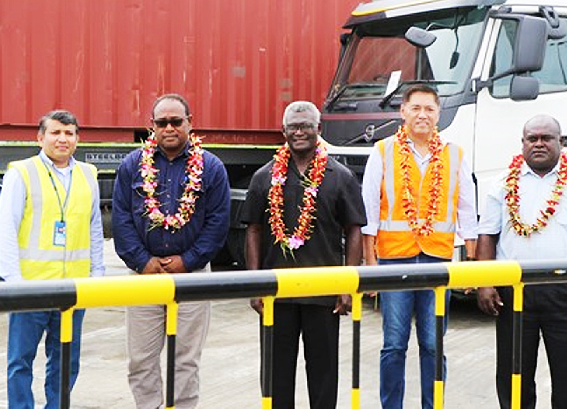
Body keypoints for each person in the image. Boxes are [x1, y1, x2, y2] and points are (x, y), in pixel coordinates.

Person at [241, 100, 366, 409]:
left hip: (324, 294)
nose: (299, 132)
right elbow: (254, 229)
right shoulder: (264, 177)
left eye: (306, 126)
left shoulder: (340, 176)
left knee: (323, 373)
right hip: (277, 293)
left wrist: (348, 285)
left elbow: (354, 230)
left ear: (318, 130)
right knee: (276, 375)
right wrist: (256, 284)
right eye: (293, 127)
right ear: (283, 131)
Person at [361, 84, 478, 409]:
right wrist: (370, 263)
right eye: (416, 108)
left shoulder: (454, 154)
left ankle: (433, 405)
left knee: (433, 342)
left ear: (439, 114)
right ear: (403, 112)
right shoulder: (383, 151)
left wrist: (470, 262)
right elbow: (369, 208)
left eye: (429, 109)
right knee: (394, 344)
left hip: (437, 261)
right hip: (393, 261)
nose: (422, 115)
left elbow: (468, 211)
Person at [111, 93, 230, 409]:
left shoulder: (211, 167)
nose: (169, 128)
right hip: (142, 276)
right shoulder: (132, 165)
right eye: (161, 122)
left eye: (176, 121)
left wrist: (187, 261)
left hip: (192, 276)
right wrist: (142, 261)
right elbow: (120, 218)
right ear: (152, 126)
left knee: (186, 360)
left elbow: (218, 224)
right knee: (140, 359)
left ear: (190, 123)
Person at [477, 114, 567, 409]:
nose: (539, 144)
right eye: (532, 139)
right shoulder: (501, 184)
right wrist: (485, 283)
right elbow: (487, 235)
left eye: (546, 138)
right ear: (523, 143)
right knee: (513, 374)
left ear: (561, 142)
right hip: (515, 292)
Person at [0, 110, 104, 409]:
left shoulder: (87, 175)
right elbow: (6, 228)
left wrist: (97, 275)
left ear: (77, 139)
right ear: (40, 137)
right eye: (55, 132)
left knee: (66, 361)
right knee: (21, 360)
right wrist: (14, 281)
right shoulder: (21, 172)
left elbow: (94, 226)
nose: (62, 139)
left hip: (73, 288)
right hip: (31, 287)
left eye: (69, 133)